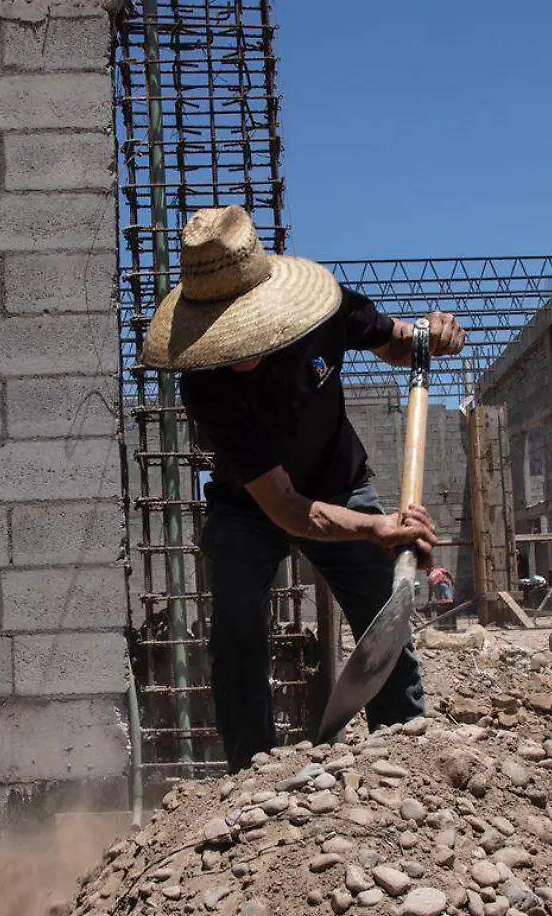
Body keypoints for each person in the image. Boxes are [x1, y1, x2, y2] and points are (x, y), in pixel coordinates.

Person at [141, 206, 467, 772]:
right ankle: (252, 775)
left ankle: (405, 754)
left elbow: (394, 342)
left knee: (380, 611)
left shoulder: (322, 311)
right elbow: (287, 508)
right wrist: (377, 528)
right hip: (251, 506)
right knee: (237, 626)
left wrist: (430, 336)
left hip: (339, 483)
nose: (236, 348)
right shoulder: (207, 387)